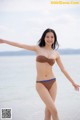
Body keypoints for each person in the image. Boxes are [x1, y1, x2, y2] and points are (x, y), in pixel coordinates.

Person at [0, 28, 80, 120]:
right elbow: (21, 45)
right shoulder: (37, 48)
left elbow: (63, 69)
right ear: (44, 38)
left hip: (53, 82)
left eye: (52, 37)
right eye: (47, 37)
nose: (50, 39)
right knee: (54, 110)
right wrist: (4, 41)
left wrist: (73, 82)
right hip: (40, 83)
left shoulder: (56, 53)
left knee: (49, 111)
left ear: (54, 39)